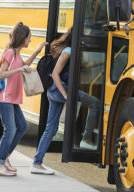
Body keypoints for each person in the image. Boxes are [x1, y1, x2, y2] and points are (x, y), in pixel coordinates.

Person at [31, 27, 99, 174]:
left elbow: (87, 66)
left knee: (51, 128)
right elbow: (55, 74)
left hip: (54, 91)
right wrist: (66, 96)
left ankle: (37, 163)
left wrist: (101, 64)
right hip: (59, 90)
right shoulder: (68, 51)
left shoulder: (72, 50)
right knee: (95, 103)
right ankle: (86, 139)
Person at [0, 22, 48, 176]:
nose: (30, 40)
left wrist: (37, 50)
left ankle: (4, 158)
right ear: (22, 38)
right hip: (4, 97)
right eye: (29, 38)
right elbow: (1, 74)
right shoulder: (10, 53)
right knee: (10, 129)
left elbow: (25, 65)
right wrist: (19, 69)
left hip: (12, 97)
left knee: (22, 126)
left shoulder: (16, 54)